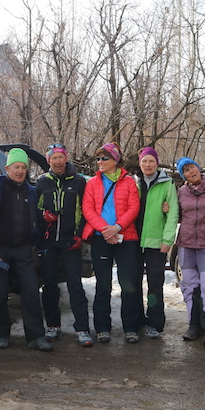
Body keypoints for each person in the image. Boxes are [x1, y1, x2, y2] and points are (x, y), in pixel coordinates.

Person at [0, 148, 54, 352]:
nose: (20, 171)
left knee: (31, 291)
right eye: (16, 167)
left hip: (23, 250)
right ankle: (1, 334)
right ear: (7, 169)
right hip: (0, 249)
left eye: (23, 167)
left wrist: (43, 223)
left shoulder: (32, 191)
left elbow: (35, 220)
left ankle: (36, 336)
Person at [81, 143, 142, 344]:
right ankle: (102, 328)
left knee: (128, 284)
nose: (100, 162)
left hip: (126, 238)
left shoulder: (129, 182)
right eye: (97, 158)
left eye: (104, 158)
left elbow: (134, 208)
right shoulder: (92, 183)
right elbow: (88, 209)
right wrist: (105, 230)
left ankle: (131, 327)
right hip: (101, 238)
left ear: (115, 160)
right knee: (103, 285)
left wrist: (116, 227)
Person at [36, 143, 92, 347]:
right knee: (49, 284)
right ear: (48, 159)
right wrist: (43, 216)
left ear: (66, 158)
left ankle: (82, 329)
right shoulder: (42, 181)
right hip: (48, 241)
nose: (58, 161)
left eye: (61, 157)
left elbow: (85, 210)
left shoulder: (78, 181)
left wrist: (79, 235)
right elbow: (36, 207)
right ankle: (53, 326)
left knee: (75, 285)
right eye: (54, 157)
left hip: (71, 241)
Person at [174, 157, 205, 344]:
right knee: (189, 287)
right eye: (185, 170)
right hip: (186, 244)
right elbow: (174, 215)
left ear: (198, 167)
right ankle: (194, 325)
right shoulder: (180, 192)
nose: (190, 172)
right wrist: (165, 208)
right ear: (182, 175)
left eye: (192, 167)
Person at [134, 147, 178, 340]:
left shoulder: (167, 183)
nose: (148, 165)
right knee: (133, 283)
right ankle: (135, 321)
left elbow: (173, 213)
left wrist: (167, 240)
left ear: (157, 163)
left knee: (155, 284)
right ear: (140, 163)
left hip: (156, 242)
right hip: (132, 241)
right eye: (144, 161)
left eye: (151, 161)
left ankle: (154, 323)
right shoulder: (132, 182)